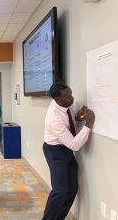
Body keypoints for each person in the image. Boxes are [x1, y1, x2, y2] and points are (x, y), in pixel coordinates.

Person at [42, 82, 95, 220]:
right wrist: (89, 123)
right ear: (57, 100)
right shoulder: (53, 118)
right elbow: (74, 145)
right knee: (60, 191)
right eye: (67, 96)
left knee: (72, 190)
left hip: (65, 148)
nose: (72, 99)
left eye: (71, 93)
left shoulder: (65, 103)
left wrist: (78, 117)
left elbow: (69, 123)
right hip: (54, 150)